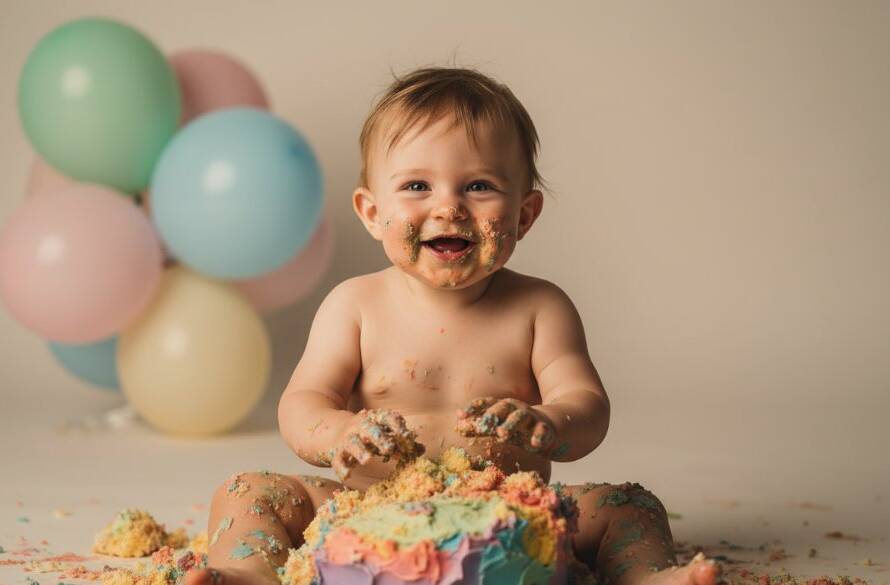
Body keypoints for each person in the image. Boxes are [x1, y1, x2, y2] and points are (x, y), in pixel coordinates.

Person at [185, 66, 721, 585]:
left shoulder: (540, 308)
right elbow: (302, 403)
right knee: (246, 490)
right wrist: (341, 434)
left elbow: (588, 404)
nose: (449, 207)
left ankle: (648, 575)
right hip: (371, 509)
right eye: (417, 186)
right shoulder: (355, 305)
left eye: (480, 186)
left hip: (512, 514)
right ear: (372, 213)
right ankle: (247, 572)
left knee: (627, 504)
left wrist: (550, 421)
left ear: (524, 215)